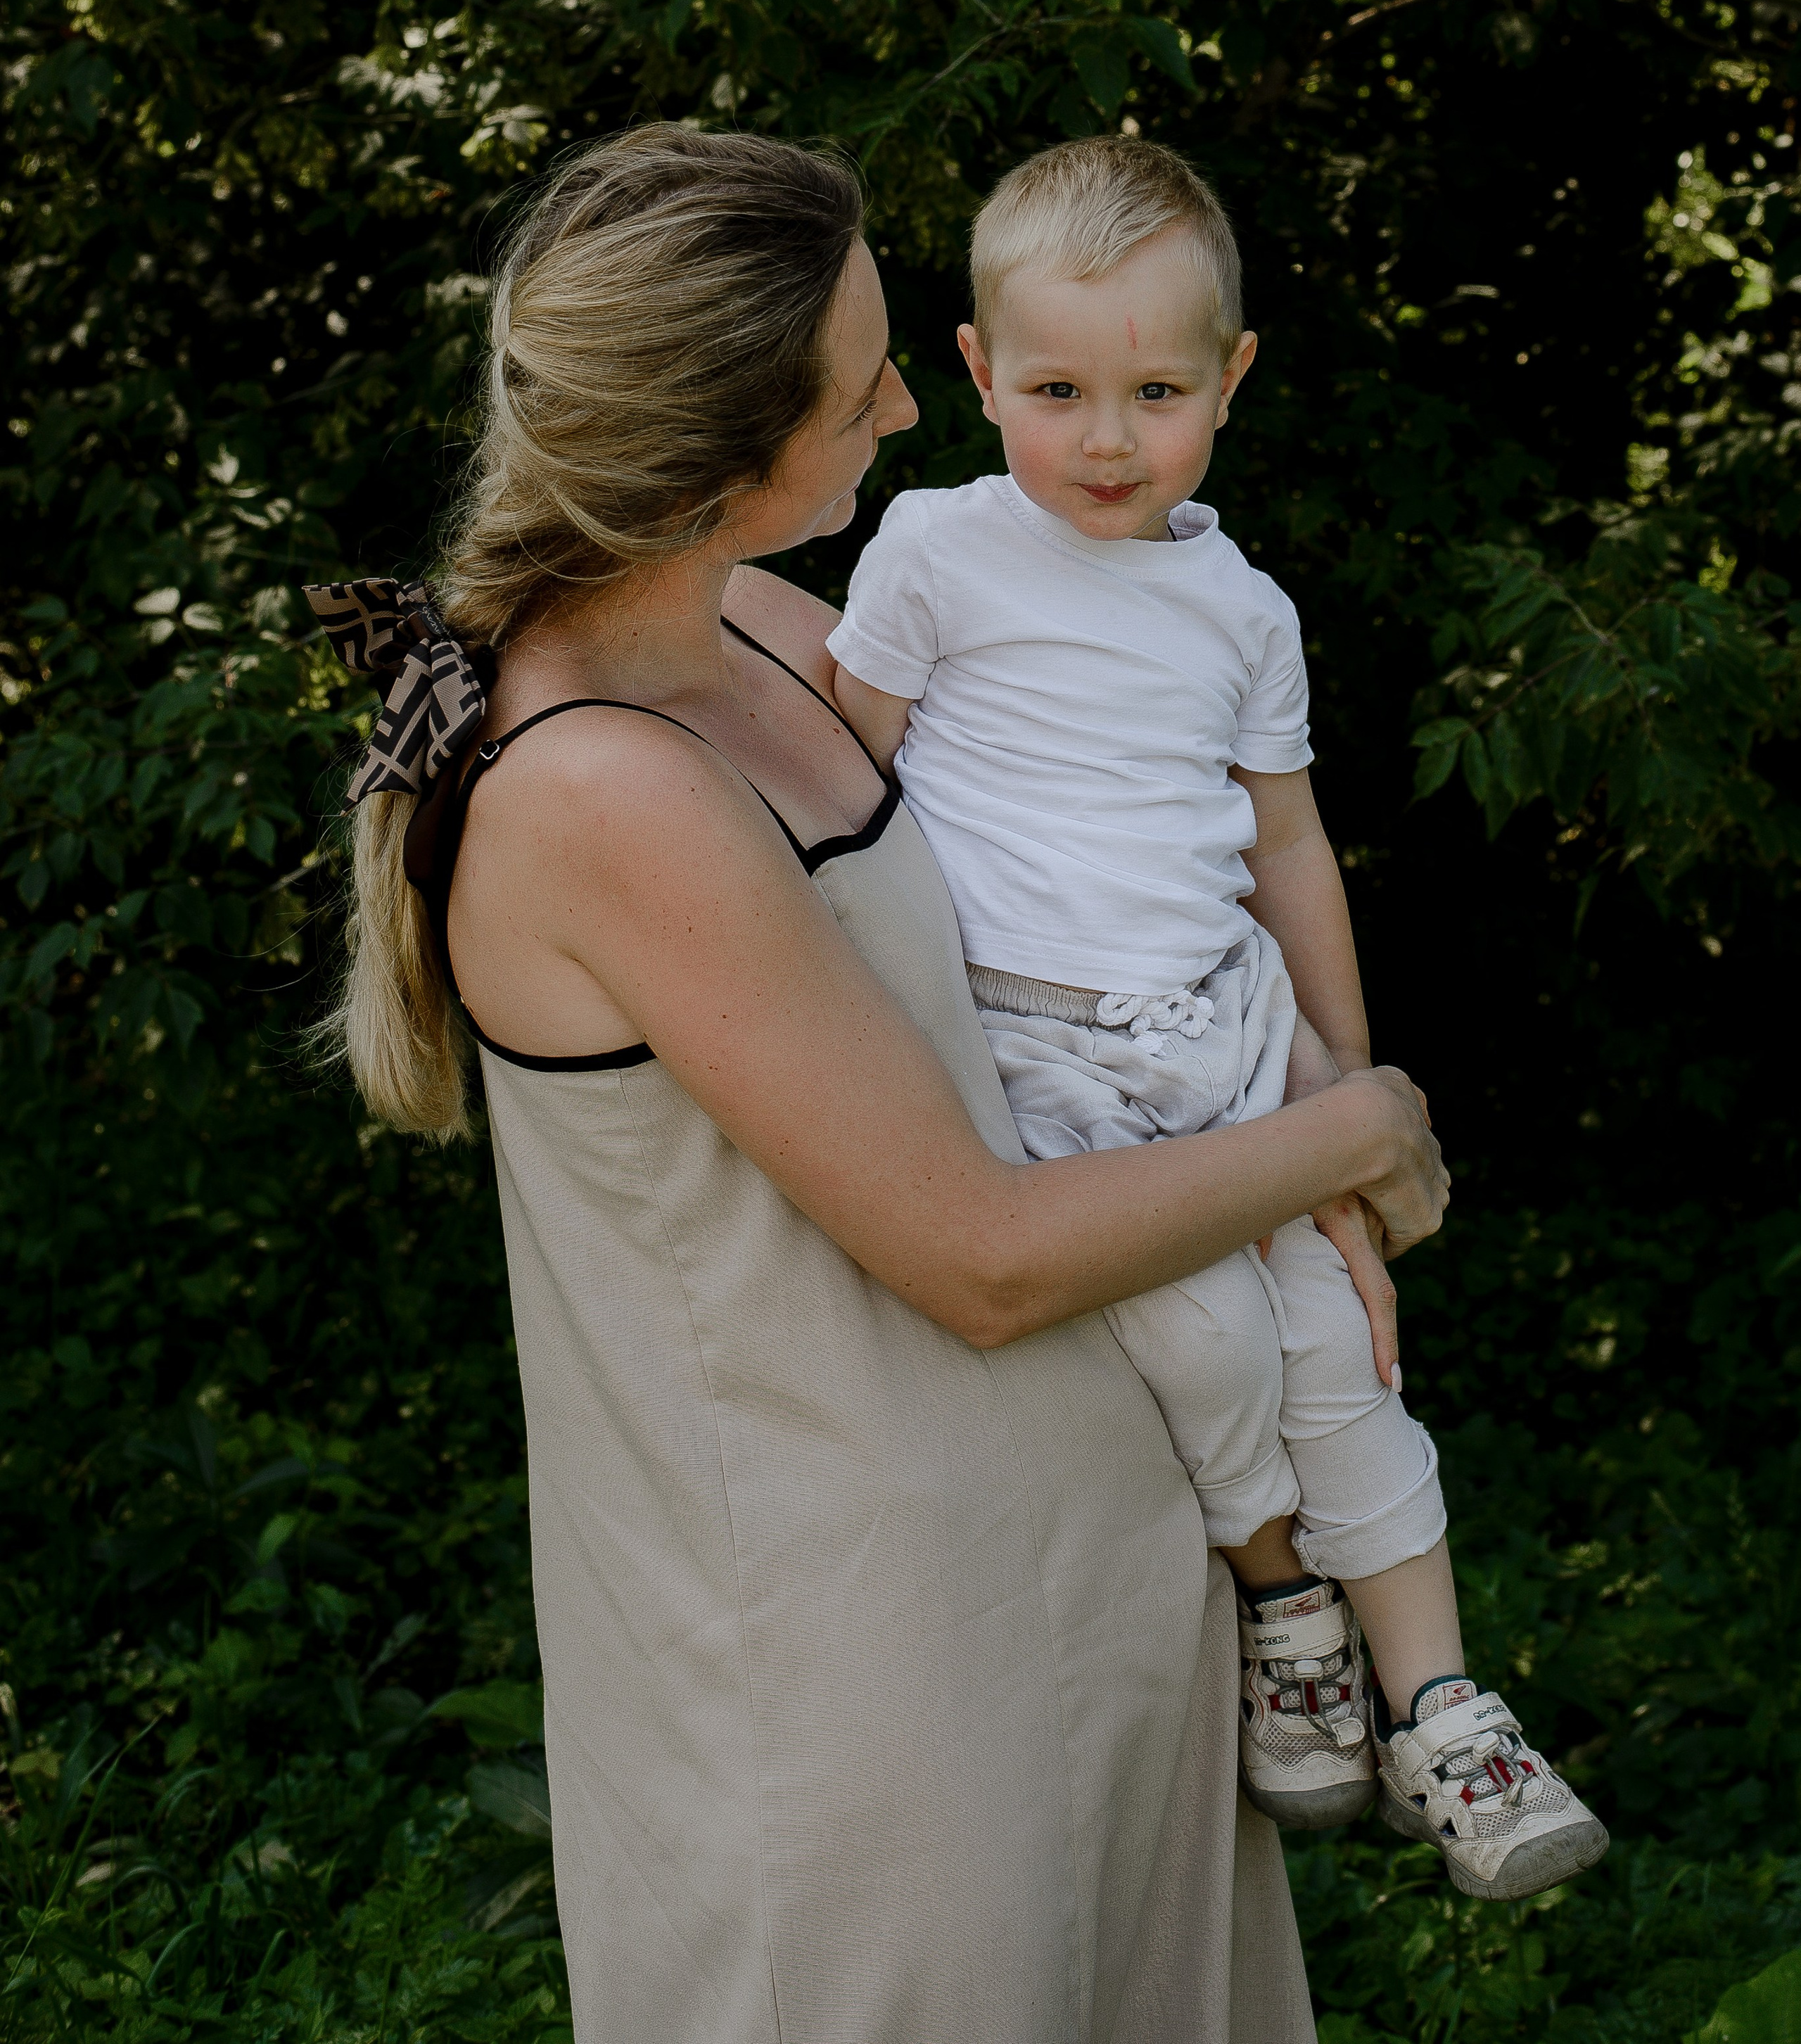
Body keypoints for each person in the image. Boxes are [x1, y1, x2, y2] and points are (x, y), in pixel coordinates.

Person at [308, 125, 1451, 2044]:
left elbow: (1108, 886)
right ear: (721, 448)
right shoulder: (603, 783)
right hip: (870, 1707)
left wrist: (1288, 1109)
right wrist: (1354, 1128)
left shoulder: (765, 625)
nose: (919, 403)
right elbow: (983, 1252)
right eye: (863, 386)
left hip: (1093, 1597)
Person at [826, 136, 1608, 1905]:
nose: (1105, 439)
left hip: (1231, 1037)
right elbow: (839, 778)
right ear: (974, 374)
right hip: (1047, 1061)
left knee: (1343, 1353)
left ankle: (1444, 1713)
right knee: (1205, 1347)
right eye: (1055, 390)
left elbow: (1285, 843)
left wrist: (1340, 1085)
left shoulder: (1238, 608)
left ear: (1230, 380)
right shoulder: (935, 551)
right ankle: (1281, 1610)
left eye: (1156, 391)